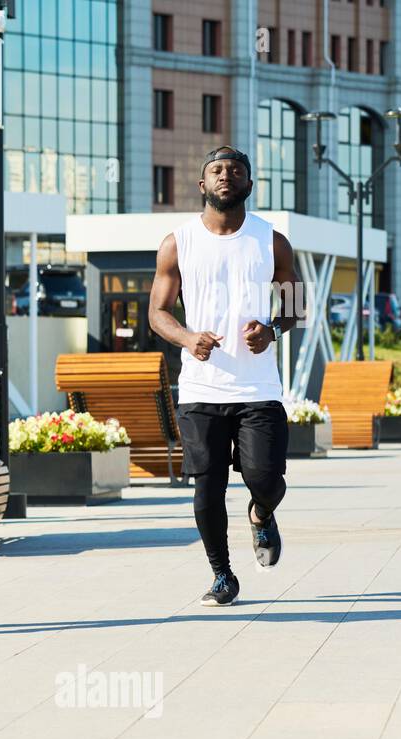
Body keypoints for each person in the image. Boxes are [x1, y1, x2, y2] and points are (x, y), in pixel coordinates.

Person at [148, 145, 302, 607]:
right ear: (202, 185)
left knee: (267, 477)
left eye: (235, 170)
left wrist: (273, 329)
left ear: (249, 185)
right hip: (201, 387)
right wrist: (187, 337)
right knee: (207, 485)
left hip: (258, 387)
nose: (225, 175)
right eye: (216, 170)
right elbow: (157, 312)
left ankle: (260, 513)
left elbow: (295, 307)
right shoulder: (178, 242)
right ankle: (222, 574)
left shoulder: (271, 241)